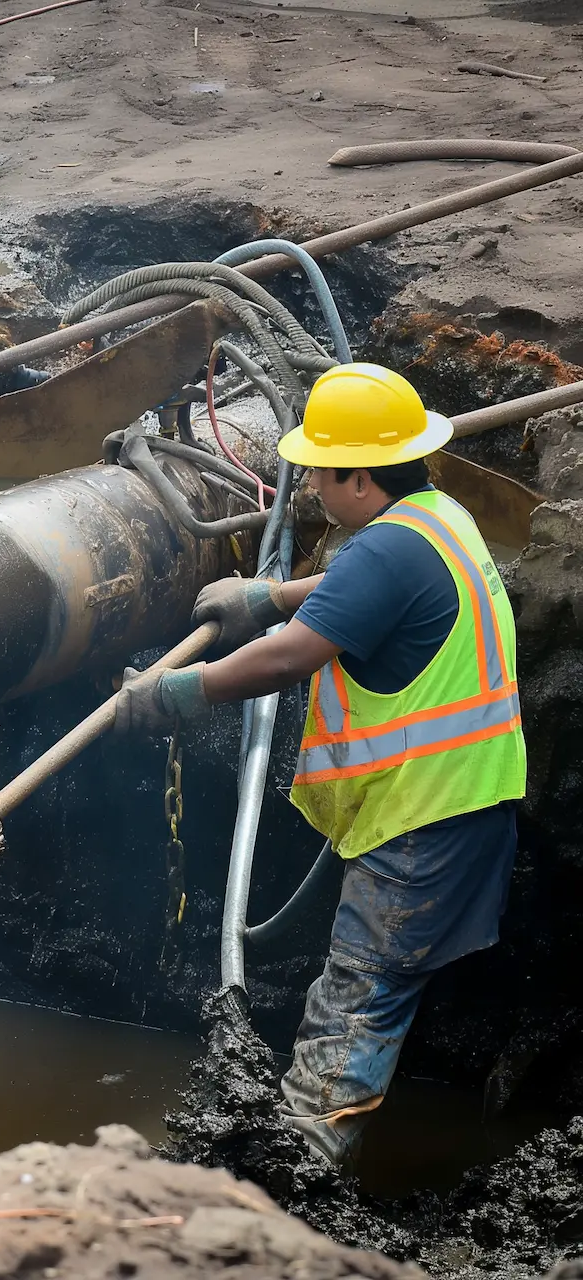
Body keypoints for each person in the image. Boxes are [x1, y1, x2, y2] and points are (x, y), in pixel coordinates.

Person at [118, 363, 526, 1167]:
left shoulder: (384, 553)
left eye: (317, 471)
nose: (307, 484)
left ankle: (303, 1172)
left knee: (359, 997)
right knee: (373, 985)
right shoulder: (439, 518)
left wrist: (177, 693)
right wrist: (272, 595)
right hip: (467, 802)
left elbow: (286, 663)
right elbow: (359, 587)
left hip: (420, 817)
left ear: (361, 478)